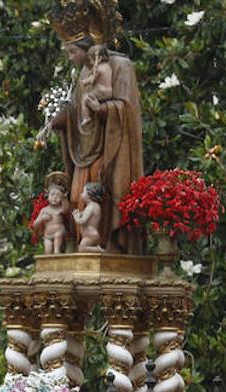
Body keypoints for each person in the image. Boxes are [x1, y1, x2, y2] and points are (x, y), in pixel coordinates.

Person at [51, 36, 143, 252]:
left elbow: (127, 109)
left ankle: (108, 246)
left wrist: (102, 110)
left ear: (88, 47)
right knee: (77, 197)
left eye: (72, 51)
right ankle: (83, 245)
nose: (70, 57)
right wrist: (60, 118)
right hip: (83, 149)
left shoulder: (120, 65)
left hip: (110, 149)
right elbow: (76, 110)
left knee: (104, 197)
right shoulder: (84, 72)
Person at [31, 178, 70, 254]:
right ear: (47, 196)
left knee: (56, 248)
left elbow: (67, 209)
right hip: (47, 235)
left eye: (58, 195)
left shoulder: (61, 208)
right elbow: (35, 225)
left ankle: (57, 251)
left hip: (59, 232)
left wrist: (64, 199)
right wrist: (41, 219)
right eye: (52, 194)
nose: (55, 197)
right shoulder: (44, 210)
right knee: (48, 252)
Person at [73, 181, 104, 251]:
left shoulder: (91, 206)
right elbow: (89, 217)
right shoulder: (94, 206)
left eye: (83, 192)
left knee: (82, 249)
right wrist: (81, 214)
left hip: (90, 235)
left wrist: (76, 216)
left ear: (90, 194)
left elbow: (82, 221)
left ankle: (98, 250)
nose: (81, 194)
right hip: (90, 234)